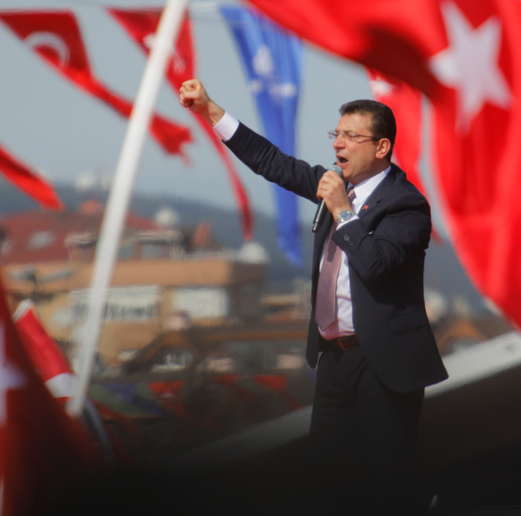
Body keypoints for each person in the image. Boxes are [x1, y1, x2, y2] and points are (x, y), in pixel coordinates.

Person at [179, 79, 448, 512]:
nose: (338, 144)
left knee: (384, 485)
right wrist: (210, 110)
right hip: (334, 358)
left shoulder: (405, 204)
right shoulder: (334, 184)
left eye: (351, 136)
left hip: (382, 361)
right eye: (336, 134)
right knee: (325, 480)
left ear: (381, 147)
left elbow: (376, 264)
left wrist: (342, 210)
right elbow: (272, 162)